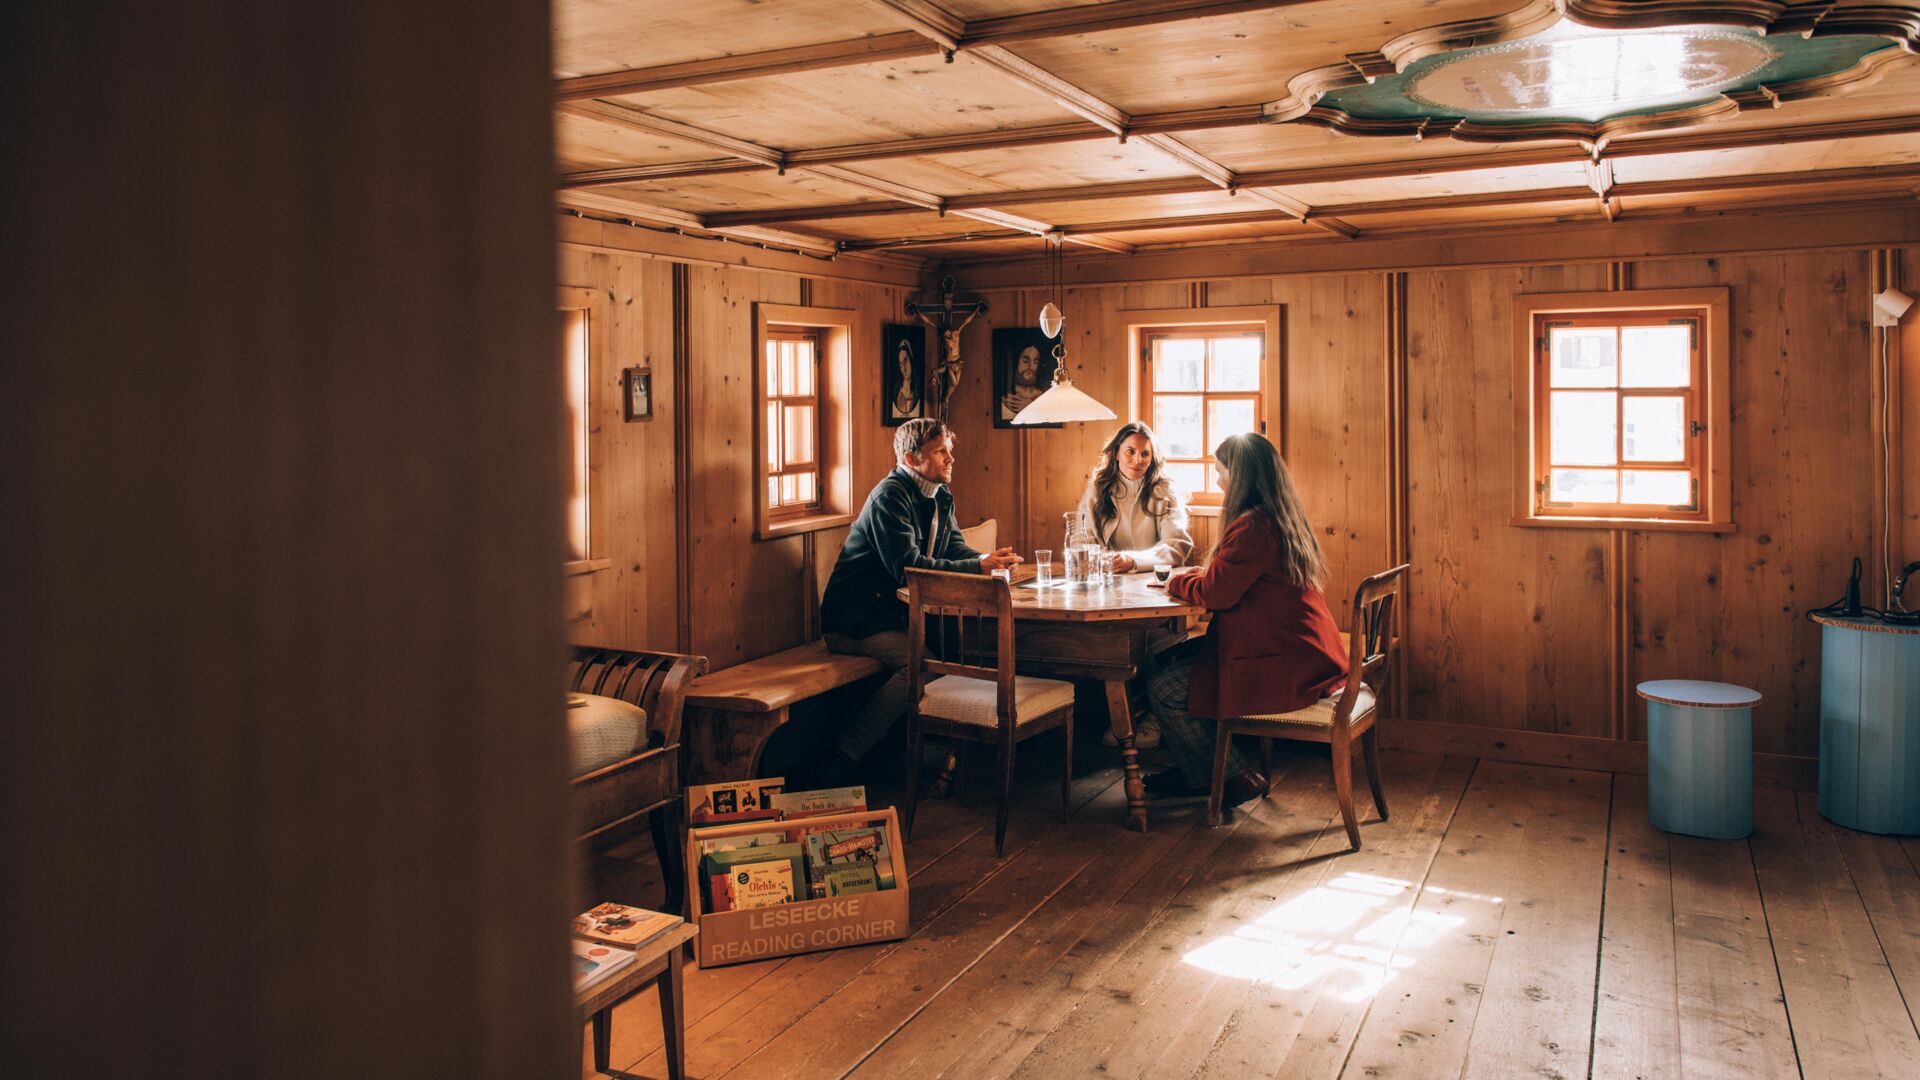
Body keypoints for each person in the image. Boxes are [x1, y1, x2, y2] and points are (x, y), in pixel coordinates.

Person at [1145, 432, 1348, 813]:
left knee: (1164, 688)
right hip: (1304, 650)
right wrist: (1200, 578)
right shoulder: (1279, 516)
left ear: (1239, 475)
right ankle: (1199, 770)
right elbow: (1227, 582)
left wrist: (1173, 581)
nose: (1218, 479)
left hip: (1286, 663)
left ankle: (1229, 776)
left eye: (1221, 470)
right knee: (1170, 658)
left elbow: (1215, 595)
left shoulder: (1252, 527)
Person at [813, 418, 1022, 785]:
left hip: (897, 615)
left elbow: (953, 547)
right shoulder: (889, 497)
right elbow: (908, 567)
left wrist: (988, 560)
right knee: (920, 664)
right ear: (911, 459)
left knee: (959, 648)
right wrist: (978, 567)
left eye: (949, 450)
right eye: (940, 451)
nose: (951, 458)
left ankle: (906, 748)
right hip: (856, 619)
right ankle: (843, 756)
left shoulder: (939, 494)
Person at [1073, 421, 1194, 750]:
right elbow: (1079, 539)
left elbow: (1177, 547)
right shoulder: (1098, 487)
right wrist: (1104, 561)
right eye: (1130, 452)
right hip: (1106, 589)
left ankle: (1150, 717)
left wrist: (1133, 560)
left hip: (1153, 589)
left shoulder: (1165, 490)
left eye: (1144, 454)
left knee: (1147, 645)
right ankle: (1115, 717)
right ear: (1115, 453)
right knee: (1088, 642)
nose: (1137, 460)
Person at [999, 344, 1044, 420]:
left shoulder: (1043, 396)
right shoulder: (1005, 398)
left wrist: (1031, 407)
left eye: (1035, 362)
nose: (1031, 367)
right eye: (1025, 361)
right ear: (1016, 362)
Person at [889, 339, 921, 420]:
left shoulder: (917, 390)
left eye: (906, 362)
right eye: (901, 365)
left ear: (911, 361)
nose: (904, 369)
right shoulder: (897, 390)